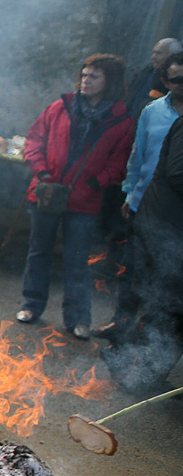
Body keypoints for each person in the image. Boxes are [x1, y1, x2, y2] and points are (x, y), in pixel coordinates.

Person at [16, 54, 135, 339]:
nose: (86, 80)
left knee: (77, 260)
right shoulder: (60, 107)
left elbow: (119, 163)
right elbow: (34, 141)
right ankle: (31, 305)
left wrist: (95, 183)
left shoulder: (121, 120)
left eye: (94, 76)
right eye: (84, 75)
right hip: (47, 193)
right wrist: (42, 173)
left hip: (85, 199)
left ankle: (78, 318)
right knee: (38, 252)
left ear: (110, 83)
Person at [95, 52, 183, 344]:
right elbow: (138, 153)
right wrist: (130, 192)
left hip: (177, 211)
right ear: (165, 80)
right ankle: (121, 323)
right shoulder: (153, 111)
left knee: (169, 278)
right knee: (132, 269)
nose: (180, 85)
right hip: (143, 202)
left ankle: (151, 338)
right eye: (175, 79)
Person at [103, 114, 183, 395]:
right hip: (169, 230)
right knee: (169, 308)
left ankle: (145, 372)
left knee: (172, 309)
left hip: (169, 229)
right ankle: (136, 371)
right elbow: (177, 173)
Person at [126, 38, 181, 118]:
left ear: (172, 55)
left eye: (159, 53)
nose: (153, 57)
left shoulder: (176, 81)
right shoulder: (145, 73)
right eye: (153, 53)